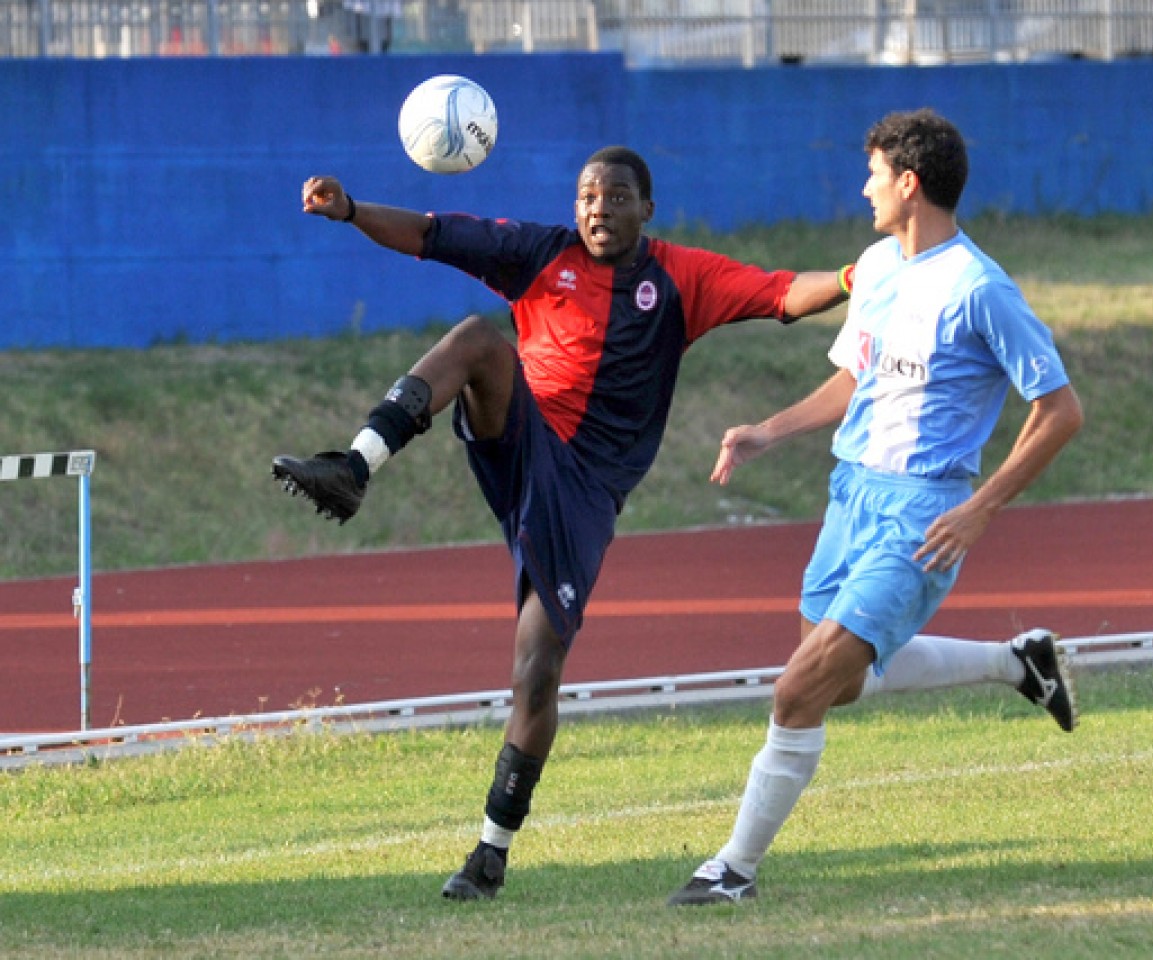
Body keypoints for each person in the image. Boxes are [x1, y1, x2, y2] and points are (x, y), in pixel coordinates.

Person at [271, 146, 851, 902]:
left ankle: (489, 854)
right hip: (523, 439)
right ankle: (353, 467)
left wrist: (848, 278)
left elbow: (780, 292)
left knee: (535, 673)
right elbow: (428, 233)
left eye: (615, 196)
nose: (597, 208)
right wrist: (351, 212)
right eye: (586, 195)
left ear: (647, 208)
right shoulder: (540, 254)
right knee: (481, 339)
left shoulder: (681, 278)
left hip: (583, 493)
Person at [667, 109, 1085, 907]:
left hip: (922, 515)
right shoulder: (878, 265)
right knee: (837, 687)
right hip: (849, 497)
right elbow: (856, 378)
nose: (863, 189)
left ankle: (732, 871)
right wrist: (768, 431)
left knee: (795, 691)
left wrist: (982, 508)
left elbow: (1061, 410)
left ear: (908, 183)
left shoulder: (981, 289)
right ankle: (1018, 662)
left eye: (872, 175)